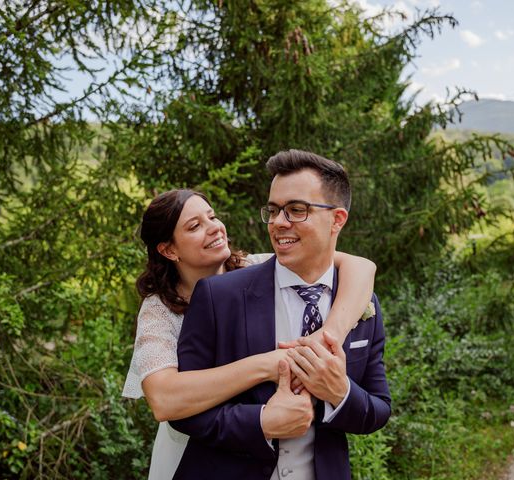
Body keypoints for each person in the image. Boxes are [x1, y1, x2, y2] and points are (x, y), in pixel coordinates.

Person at [122, 188, 377, 479]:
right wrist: (269, 365)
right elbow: (164, 399)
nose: (214, 228)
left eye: (212, 217)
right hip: (196, 449)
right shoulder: (159, 310)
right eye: (195, 226)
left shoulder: (257, 267)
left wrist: (327, 335)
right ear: (169, 250)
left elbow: (361, 267)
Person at [169, 150, 391, 479]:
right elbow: (183, 411)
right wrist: (260, 421)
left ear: (337, 219)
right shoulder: (219, 296)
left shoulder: (362, 303)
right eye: (273, 210)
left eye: (296, 210)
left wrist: (339, 392)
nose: (278, 222)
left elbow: (378, 409)